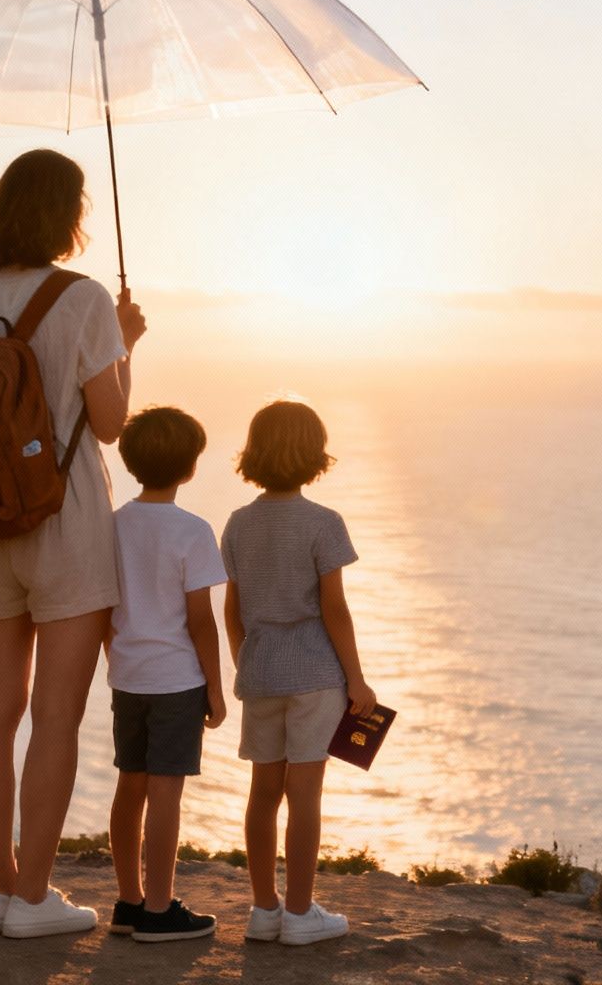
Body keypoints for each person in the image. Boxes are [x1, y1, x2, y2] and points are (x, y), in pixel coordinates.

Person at [0, 148, 146, 939]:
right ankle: (34, 898)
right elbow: (111, 425)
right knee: (56, 718)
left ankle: (0, 891)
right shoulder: (84, 299)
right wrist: (126, 343)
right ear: (68, 214)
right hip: (67, 523)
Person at [222, 400, 375, 946]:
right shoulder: (323, 523)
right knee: (304, 794)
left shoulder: (239, 523)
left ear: (254, 453)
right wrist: (357, 678)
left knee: (263, 792)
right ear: (315, 455)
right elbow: (335, 610)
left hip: (260, 675)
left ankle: (264, 910)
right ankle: (301, 913)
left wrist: (245, 661)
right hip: (314, 675)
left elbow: (233, 610)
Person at [103, 407, 228, 943]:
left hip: (128, 676)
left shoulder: (112, 526)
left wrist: (115, 656)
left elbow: (104, 606)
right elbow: (201, 621)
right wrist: (215, 688)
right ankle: (159, 909)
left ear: (130, 461)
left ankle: (129, 901)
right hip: (177, 680)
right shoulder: (193, 531)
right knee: (165, 795)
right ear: (190, 466)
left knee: (129, 786)